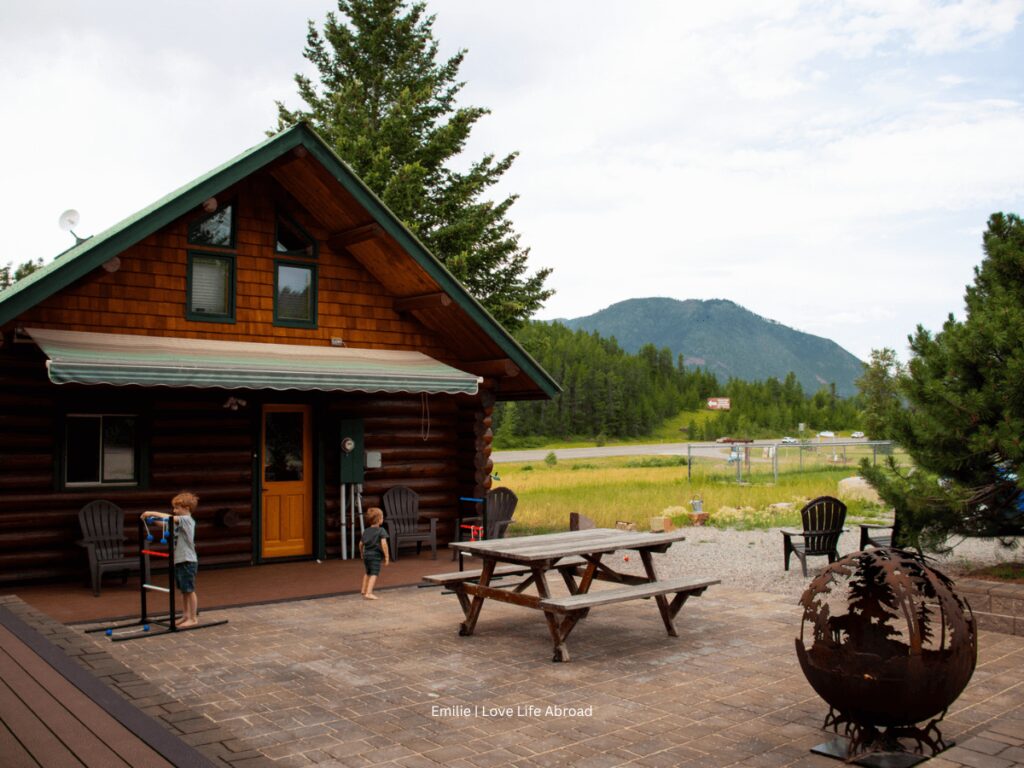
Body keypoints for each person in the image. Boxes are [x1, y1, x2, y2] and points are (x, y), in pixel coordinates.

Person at [142, 491, 200, 627]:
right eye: (174, 508)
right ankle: (186, 615)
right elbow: (164, 524)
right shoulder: (178, 521)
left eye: (177, 508)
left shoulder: (187, 520)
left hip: (188, 560)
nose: (174, 511)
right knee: (183, 590)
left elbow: (169, 518)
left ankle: (193, 618)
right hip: (179, 560)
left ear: (186, 509)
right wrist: (150, 520)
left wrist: (152, 512)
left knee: (189, 590)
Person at [359, 507, 390, 600]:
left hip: (366, 555)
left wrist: (361, 553)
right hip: (375, 556)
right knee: (374, 573)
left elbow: (361, 543)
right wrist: (387, 556)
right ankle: (369, 593)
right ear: (379, 520)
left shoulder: (366, 531)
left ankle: (363, 590)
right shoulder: (381, 530)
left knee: (367, 572)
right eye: (382, 517)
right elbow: (384, 544)